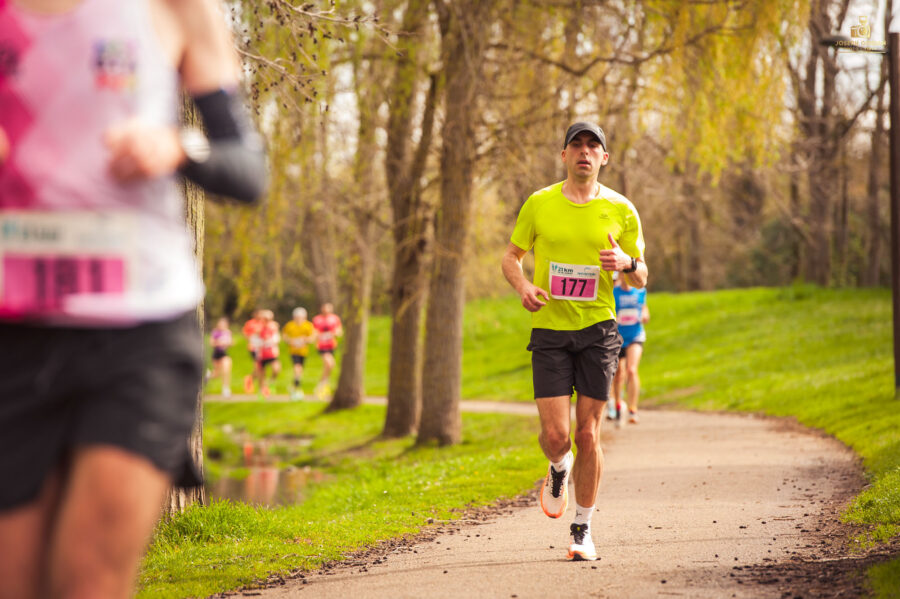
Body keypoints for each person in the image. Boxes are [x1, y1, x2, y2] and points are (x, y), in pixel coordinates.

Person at [0, 1, 267, 598]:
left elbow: (247, 170)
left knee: (87, 580)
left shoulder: (176, 7)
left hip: (139, 329)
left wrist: (177, 148)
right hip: (14, 333)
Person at [501, 121, 647, 561]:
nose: (584, 152)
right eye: (576, 145)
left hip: (599, 331)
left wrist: (626, 260)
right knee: (556, 435)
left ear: (605, 158)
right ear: (564, 155)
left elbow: (642, 276)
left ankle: (582, 528)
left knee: (588, 433)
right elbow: (511, 256)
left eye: (593, 146)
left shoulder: (622, 209)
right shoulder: (540, 204)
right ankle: (557, 467)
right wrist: (524, 287)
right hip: (549, 330)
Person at [610, 274, 649, 424]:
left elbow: (645, 309)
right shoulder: (614, 292)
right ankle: (617, 405)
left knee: (632, 370)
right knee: (618, 374)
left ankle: (633, 409)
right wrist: (615, 319)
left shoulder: (640, 291)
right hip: (618, 337)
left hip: (635, 335)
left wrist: (644, 316)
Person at [282, 307, 316, 400]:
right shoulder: (290, 325)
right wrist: (290, 341)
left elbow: (312, 338)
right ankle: (297, 388)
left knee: (299, 370)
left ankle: (294, 386)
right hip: (293, 351)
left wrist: (305, 340)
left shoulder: (308, 325)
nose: (299, 319)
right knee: (297, 368)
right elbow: (284, 337)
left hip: (303, 351)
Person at [312, 302, 342, 399]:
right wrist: (318, 336)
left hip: (332, 345)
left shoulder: (335, 318)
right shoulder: (317, 319)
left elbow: (339, 331)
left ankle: (323, 386)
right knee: (330, 364)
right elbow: (314, 332)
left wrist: (335, 333)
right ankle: (322, 385)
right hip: (322, 346)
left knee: (328, 366)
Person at [255, 309, 281, 398]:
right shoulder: (259, 328)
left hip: (271, 353)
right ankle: (262, 391)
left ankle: (272, 381)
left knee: (276, 369)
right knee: (262, 373)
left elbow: (276, 339)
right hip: (262, 353)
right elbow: (256, 340)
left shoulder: (274, 327)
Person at [210, 316, 234, 397]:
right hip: (216, 354)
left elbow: (231, 342)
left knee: (226, 370)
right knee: (216, 374)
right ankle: (207, 376)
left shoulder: (228, 332)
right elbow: (212, 343)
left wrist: (228, 343)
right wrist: (219, 343)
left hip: (224, 354)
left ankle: (226, 389)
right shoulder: (215, 332)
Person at [242, 310, 264, 393]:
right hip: (253, 348)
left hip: (262, 348)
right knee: (258, 367)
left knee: (260, 368)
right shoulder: (250, 323)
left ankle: (250, 378)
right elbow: (245, 334)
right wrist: (253, 336)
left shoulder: (263, 323)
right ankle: (260, 387)